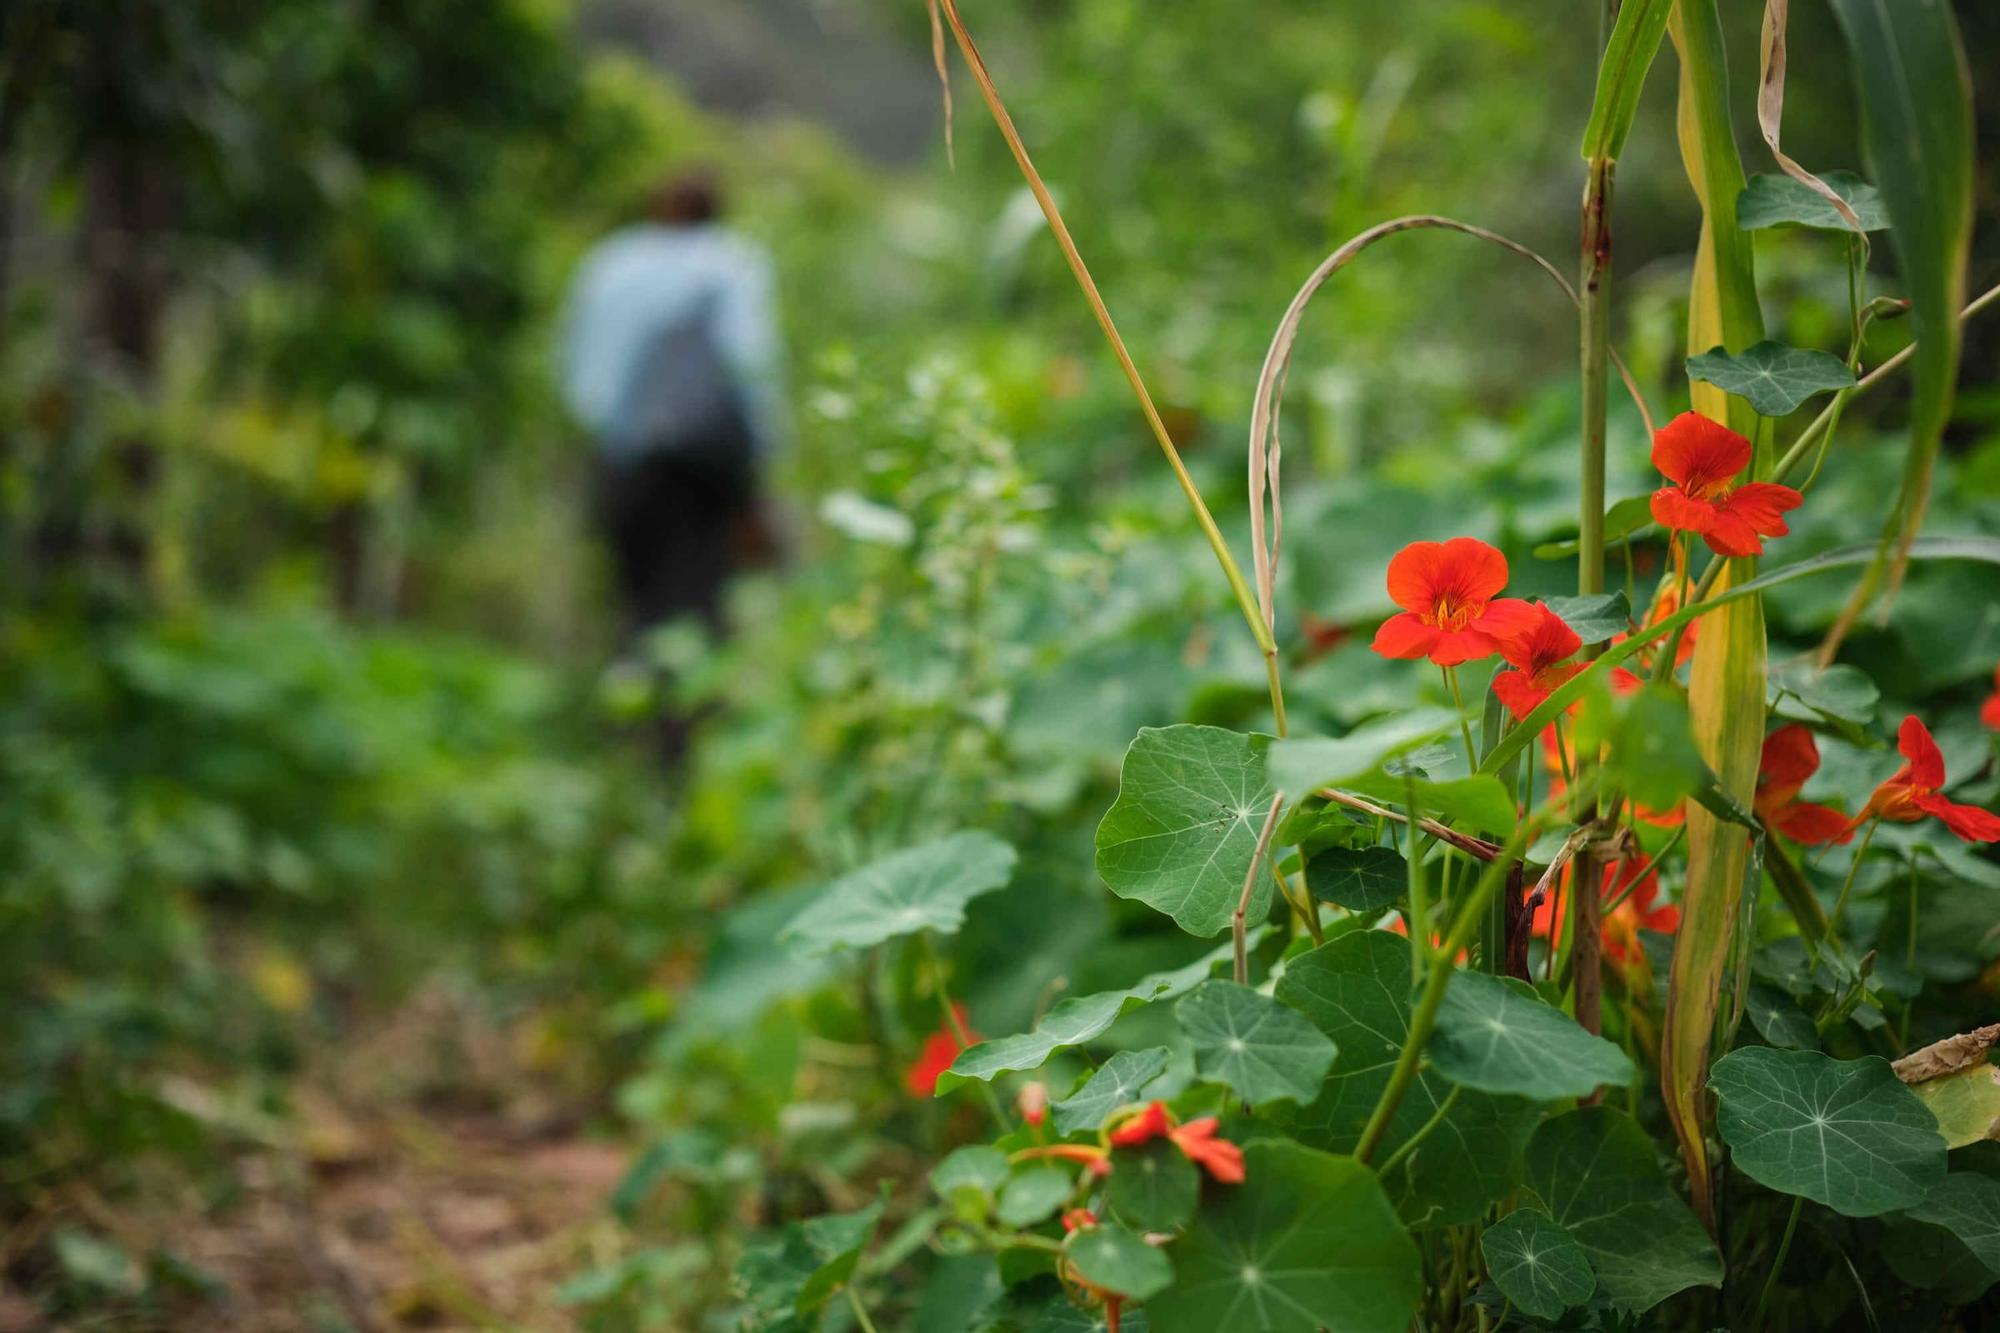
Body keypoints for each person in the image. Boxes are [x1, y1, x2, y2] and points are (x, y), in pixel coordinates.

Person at [558, 172, 786, 638]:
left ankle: (634, 700)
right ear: (715, 211)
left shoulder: (609, 261)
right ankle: (683, 708)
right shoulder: (730, 263)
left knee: (636, 599)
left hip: (621, 457)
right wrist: (765, 454)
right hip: (699, 465)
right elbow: (750, 364)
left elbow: (576, 371)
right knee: (696, 600)